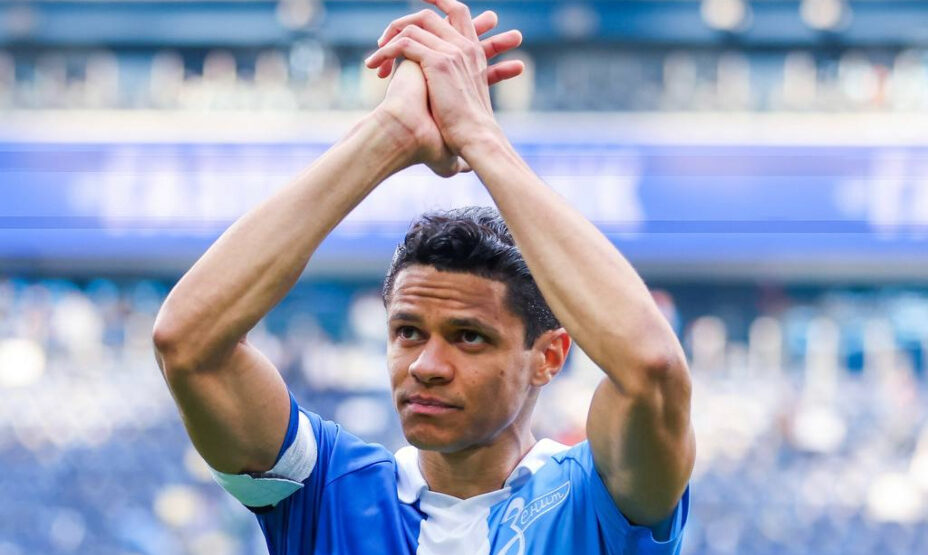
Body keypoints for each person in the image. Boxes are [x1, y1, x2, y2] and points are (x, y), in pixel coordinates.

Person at [152, 1, 694, 553]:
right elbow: (188, 342)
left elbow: (652, 368)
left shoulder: (598, 498)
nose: (426, 366)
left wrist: (482, 139)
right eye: (408, 331)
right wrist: (390, 133)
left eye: (469, 337)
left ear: (549, 356)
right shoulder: (329, 490)